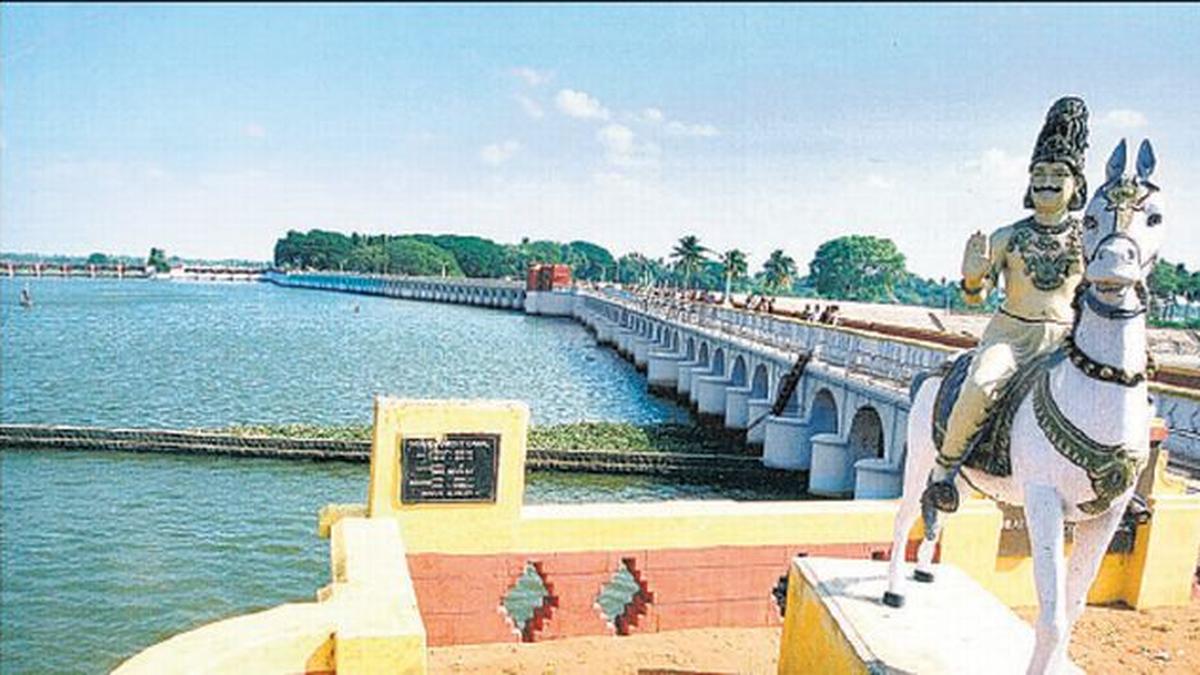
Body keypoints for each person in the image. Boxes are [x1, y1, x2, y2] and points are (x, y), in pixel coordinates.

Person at [926, 97, 1090, 511]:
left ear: (1076, 186)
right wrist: (972, 277)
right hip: (1011, 334)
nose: (1046, 181)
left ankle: (1111, 482)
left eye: (1057, 174)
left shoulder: (1088, 239)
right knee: (981, 385)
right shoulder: (1007, 237)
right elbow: (974, 301)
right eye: (1039, 173)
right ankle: (945, 470)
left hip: (1066, 342)